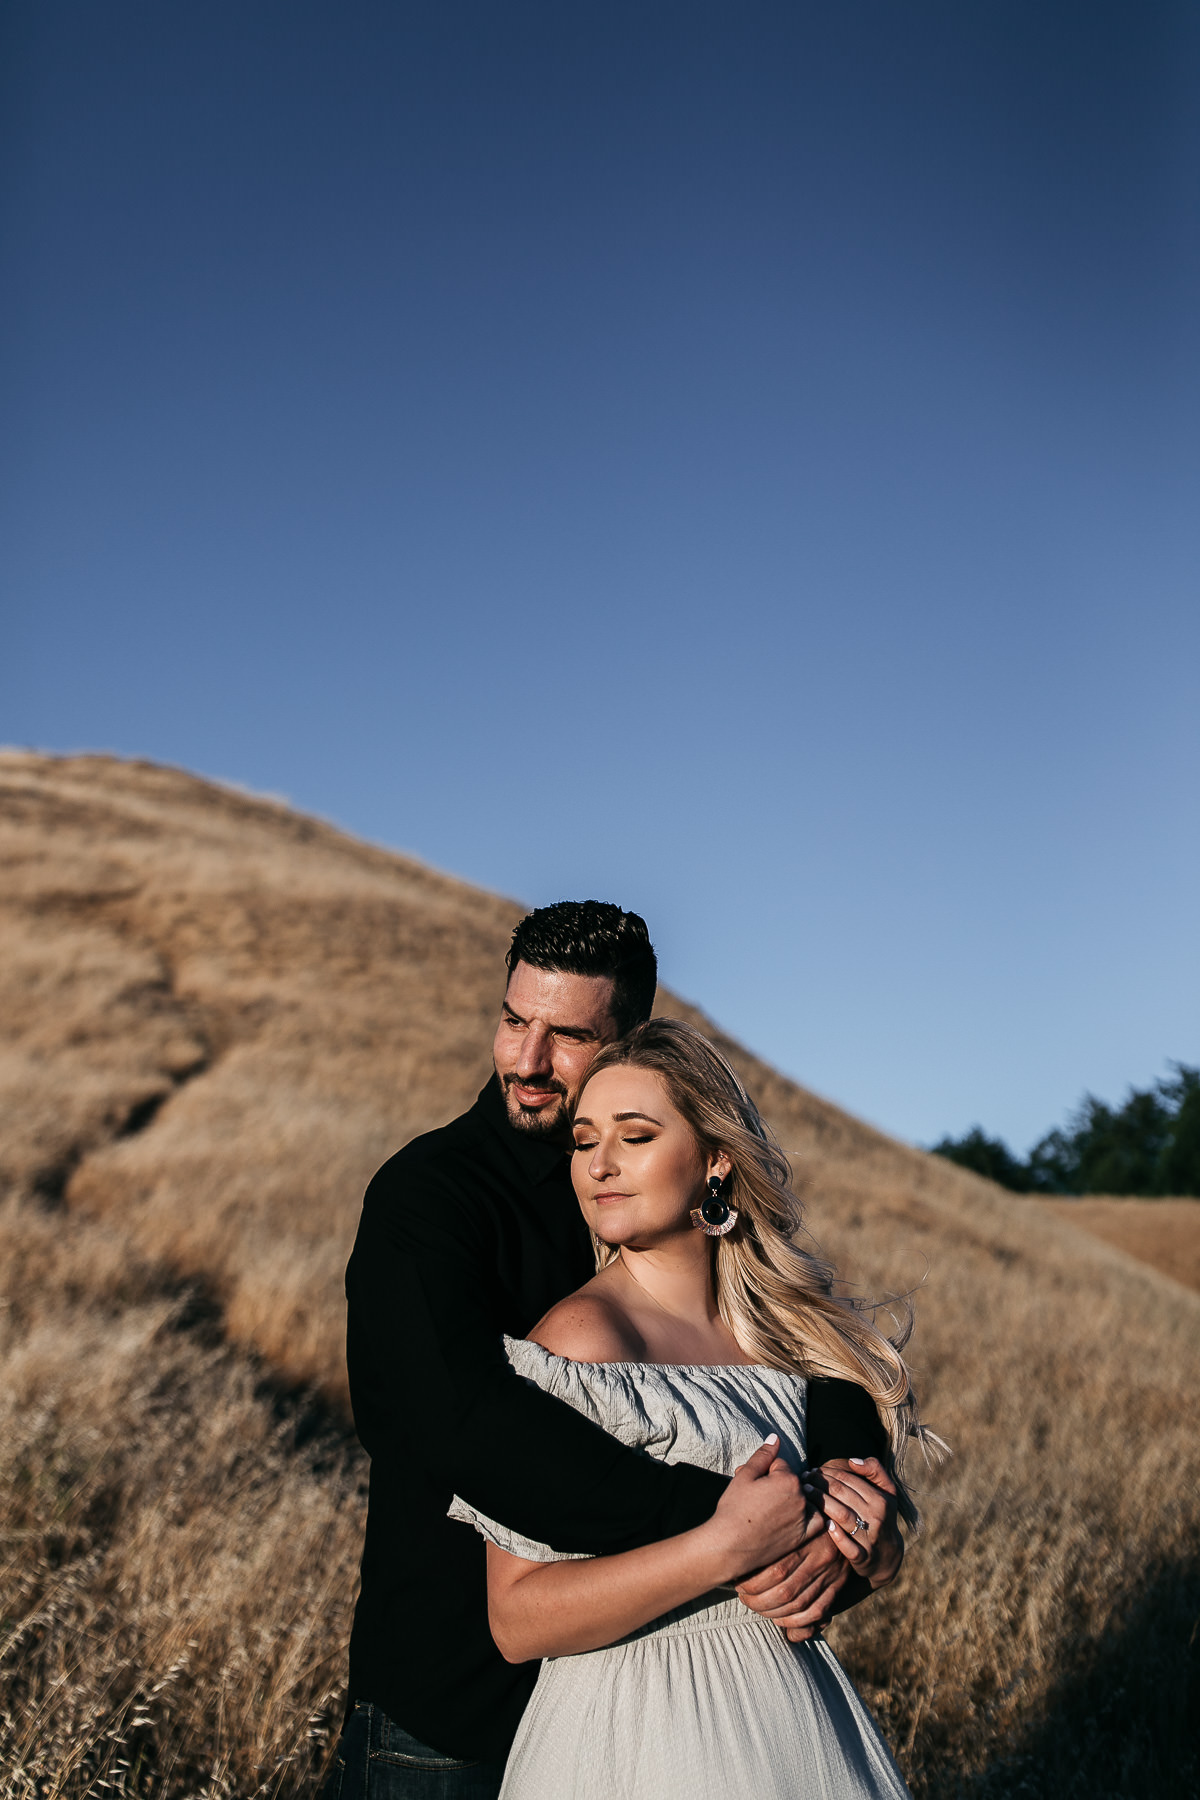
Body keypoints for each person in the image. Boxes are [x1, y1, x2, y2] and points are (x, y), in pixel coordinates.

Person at [324, 903, 903, 1799]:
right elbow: (467, 1432)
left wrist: (845, 1495)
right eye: (515, 1020)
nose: (525, 1059)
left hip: (686, 1713)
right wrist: (741, 1521)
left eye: (565, 1036)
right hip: (454, 1712)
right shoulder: (429, 1201)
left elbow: (790, 1344)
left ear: (634, 1041)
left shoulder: (659, 1200)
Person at [449, 1017, 937, 1799]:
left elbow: (845, 1550)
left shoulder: (789, 1342)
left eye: (634, 1136)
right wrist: (718, 1549)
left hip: (798, 1728)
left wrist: (876, 1556)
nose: (599, 1165)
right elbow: (516, 1621)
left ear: (714, 1161)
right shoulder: (578, 1340)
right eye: (583, 1140)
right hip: (636, 1733)